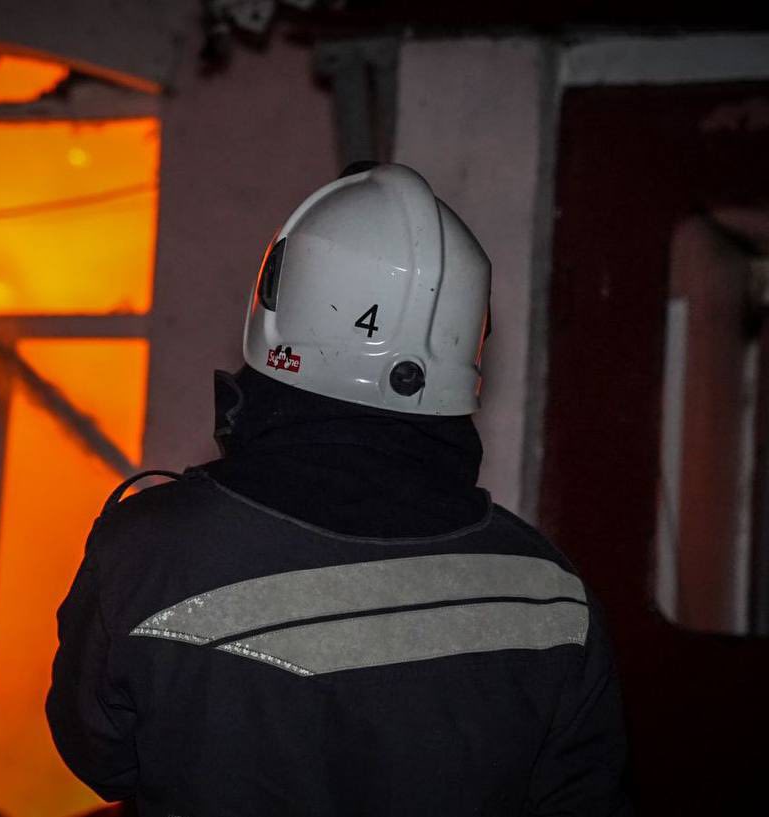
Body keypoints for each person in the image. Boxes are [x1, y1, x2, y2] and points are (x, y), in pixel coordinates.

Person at [47, 163, 631, 816]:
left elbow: (102, 757)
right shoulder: (550, 595)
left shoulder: (151, 552)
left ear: (276, 302)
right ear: (470, 338)